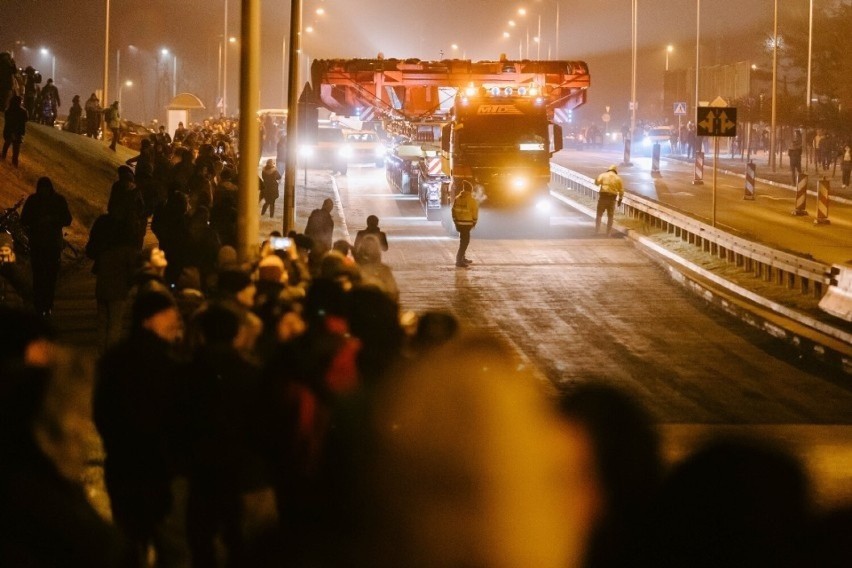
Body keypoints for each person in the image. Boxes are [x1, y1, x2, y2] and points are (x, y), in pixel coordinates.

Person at [93, 290, 185, 567]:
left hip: (122, 464)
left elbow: (101, 412)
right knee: (169, 543)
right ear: (147, 320)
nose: (176, 325)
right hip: (159, 467)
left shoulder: (114, 359)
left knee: (130, 540)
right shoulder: (168, 363)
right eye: (169, 320)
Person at [20, 177, 72, 318]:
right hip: (37, 244)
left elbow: (67, 219)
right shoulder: (33, 200)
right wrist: (36, 222)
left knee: (50, 275)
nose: (43, 192)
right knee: (38, 275)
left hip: (52, 245)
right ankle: (39, 305)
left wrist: (53, 219)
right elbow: (24, 219)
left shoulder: (58, 200)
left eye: (45, 189)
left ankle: (47, 304)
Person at [451, 181, 478, 268]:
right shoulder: (472, 200)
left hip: (459, 223)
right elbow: (475, 213)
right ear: (470, 190)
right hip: (467, 224)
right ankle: (459, 261)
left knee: (463, 241)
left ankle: (462, 258)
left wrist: (455, 221)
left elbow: (453, 210)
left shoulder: (457, 198)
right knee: (465, 242)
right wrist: (474, 222)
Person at [594, 164, 624, 236]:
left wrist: (596, 180)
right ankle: (608, 233)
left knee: (599, 214)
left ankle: (597, 230)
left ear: (609, 169)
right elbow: (621, 191)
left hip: (603, 197)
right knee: (610, 216)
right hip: (612, 199)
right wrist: (620, 199)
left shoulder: (603, 175)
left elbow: (597, 183)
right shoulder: (618, 178)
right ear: (615, 171)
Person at [2, 94, 28, 167]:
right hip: (18, 132)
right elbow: (26, 119)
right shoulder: (23, 112)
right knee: (16, 150)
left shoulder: (8, 110)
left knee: (7, 144)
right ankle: (14, 163)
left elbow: (8, 121)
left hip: (8, 131)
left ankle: (3, 157)